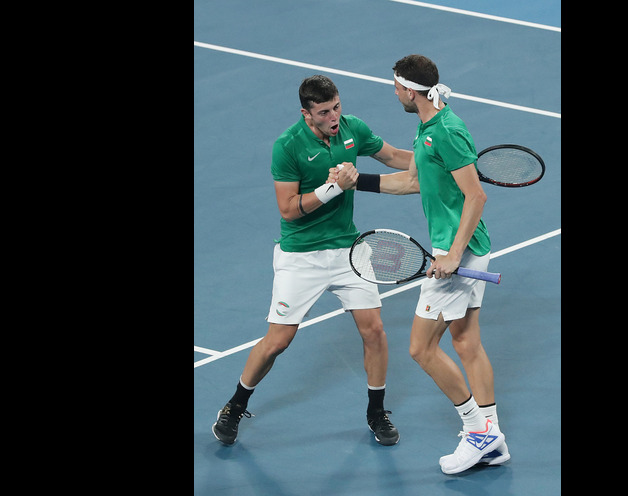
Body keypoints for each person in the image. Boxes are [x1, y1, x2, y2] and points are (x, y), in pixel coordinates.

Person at [211, 75, 414, 447]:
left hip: (348, 248)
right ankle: (235, 405)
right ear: (307, 113)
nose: (334, 116)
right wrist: (332, 186)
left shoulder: (353, 129)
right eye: (324, 112)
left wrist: (439, 162)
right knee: (278, 341)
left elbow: (395, 157)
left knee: (374, 330)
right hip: (301, 256)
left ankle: (376, 410)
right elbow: (288, 210)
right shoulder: (286, 146)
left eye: (336, 106)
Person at [348, 54, 509, 474]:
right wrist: (356, 183)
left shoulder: (447, 132)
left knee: (420, 348)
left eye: (396, 87)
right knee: (466, 342)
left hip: (459, 252)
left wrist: (452, 254)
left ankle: (480, 435)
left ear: (409, 90)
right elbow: (415, 180)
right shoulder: (429, 127)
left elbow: (476, 197)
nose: (394, 93)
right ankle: (493, 439)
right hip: (466, 247)